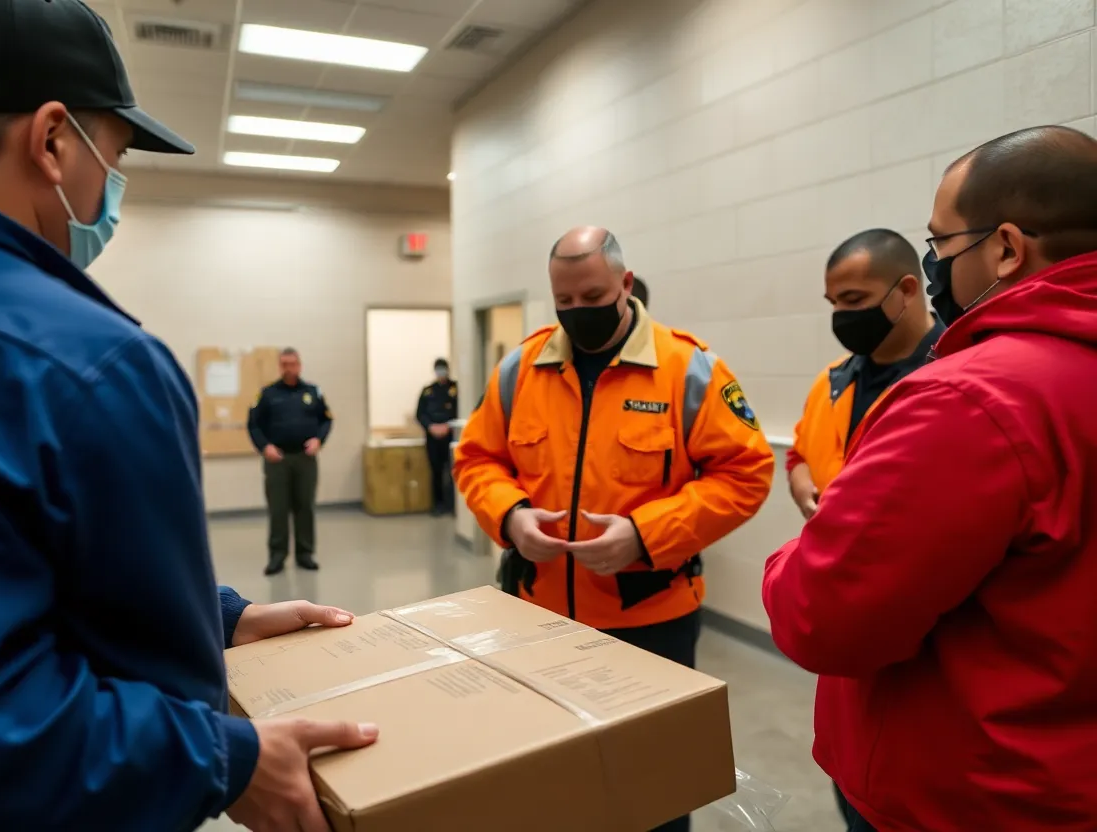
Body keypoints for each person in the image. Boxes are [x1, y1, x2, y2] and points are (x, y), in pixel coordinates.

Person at [0, 1, 376, 830]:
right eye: (112, 154)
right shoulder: (88, 362)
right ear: (51, 140)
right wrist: (230, 758)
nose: (113, 187)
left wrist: (221, 617)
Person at [763, 124, 1097, 832]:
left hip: (975, 791)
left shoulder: (971, 397)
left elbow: (822, 617)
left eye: (941, 244)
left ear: (1005, 246)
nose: (939, 263)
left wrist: (803, 547)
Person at [455, 226, 774, 832]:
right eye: (564, 301)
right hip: (538, 618)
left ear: (626, 284)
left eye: (593, 296)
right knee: (556, 783)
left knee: (651, 793)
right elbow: (477, 458)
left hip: (651, 623)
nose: (578, 313)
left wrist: (645, 532)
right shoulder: (520, 368)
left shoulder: (688, 368)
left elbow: (746, 473)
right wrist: (511, 515)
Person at [787, 229, 944, 521]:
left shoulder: (954, 380)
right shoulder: (831, 381)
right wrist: (800, 481)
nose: (840, 314)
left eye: (853, 299)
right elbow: (799, 454)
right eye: (833, 302)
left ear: (907, 290)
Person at [248, 348, 332, 574]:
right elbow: (253, 424)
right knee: (278, 509)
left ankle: (305, 554)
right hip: (278, 460)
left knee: (305, 506)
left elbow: (326, 420)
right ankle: (277, 556)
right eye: (284, 364)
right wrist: (264, 446)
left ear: (299, 365)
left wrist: (319, 440)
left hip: (305, 459)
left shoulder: (313, 392)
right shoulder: (268, 394)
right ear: (279, 366)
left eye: (292, 363)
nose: (289, 368)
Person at [416, 357, 458, 516]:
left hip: (451, 436)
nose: (441, 372)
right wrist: (431, 427)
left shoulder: (456, 389)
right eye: (438, 369)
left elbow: (459, 410)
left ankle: (454, 505)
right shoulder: (428, 391)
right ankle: (438, 504)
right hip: (433, 438)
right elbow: (420, 414)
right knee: (436, 472)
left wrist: (448, 425)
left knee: (453, 472)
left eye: (443, 368)